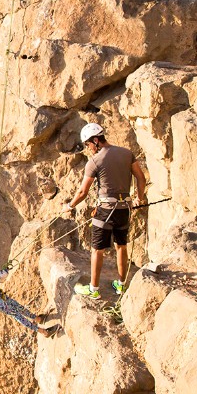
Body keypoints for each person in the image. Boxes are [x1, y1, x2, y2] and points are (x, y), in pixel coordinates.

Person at [63, 123, 147, 299]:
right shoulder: (127, 153)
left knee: (97, 250)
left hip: (105, 210)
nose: (88, 148)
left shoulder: (94, 161)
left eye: (88, 144)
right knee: (121, 246)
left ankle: (94, 290)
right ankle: (121, 286)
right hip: (124, 208)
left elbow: (82, 192)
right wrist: (140, 198)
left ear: (95, 140)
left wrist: (69, 206)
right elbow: (141, 177)